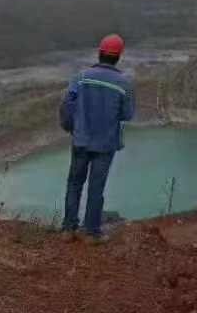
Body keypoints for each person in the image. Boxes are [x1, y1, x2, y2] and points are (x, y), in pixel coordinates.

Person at [59, 33, 135, 241]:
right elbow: (127, 114)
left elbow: (67, 103)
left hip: (81, 139)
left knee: (75, 182)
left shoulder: (82, 76)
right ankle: (91, 233)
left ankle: (68, 228)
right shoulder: (123, 83)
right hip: (105, 143)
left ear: (100, 53)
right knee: (96, 186)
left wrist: (70, 127)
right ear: (118, 57)